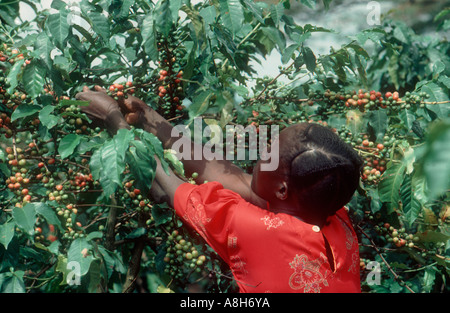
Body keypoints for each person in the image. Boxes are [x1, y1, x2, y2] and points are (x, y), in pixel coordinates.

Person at [76, 86, 364, 293]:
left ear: (282, 190)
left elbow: (161, 181)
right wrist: (151, 120)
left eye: (269, 154)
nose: (261, 151)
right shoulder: (335, 213)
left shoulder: (254, 230)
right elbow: (232, 179)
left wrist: (111, 117)